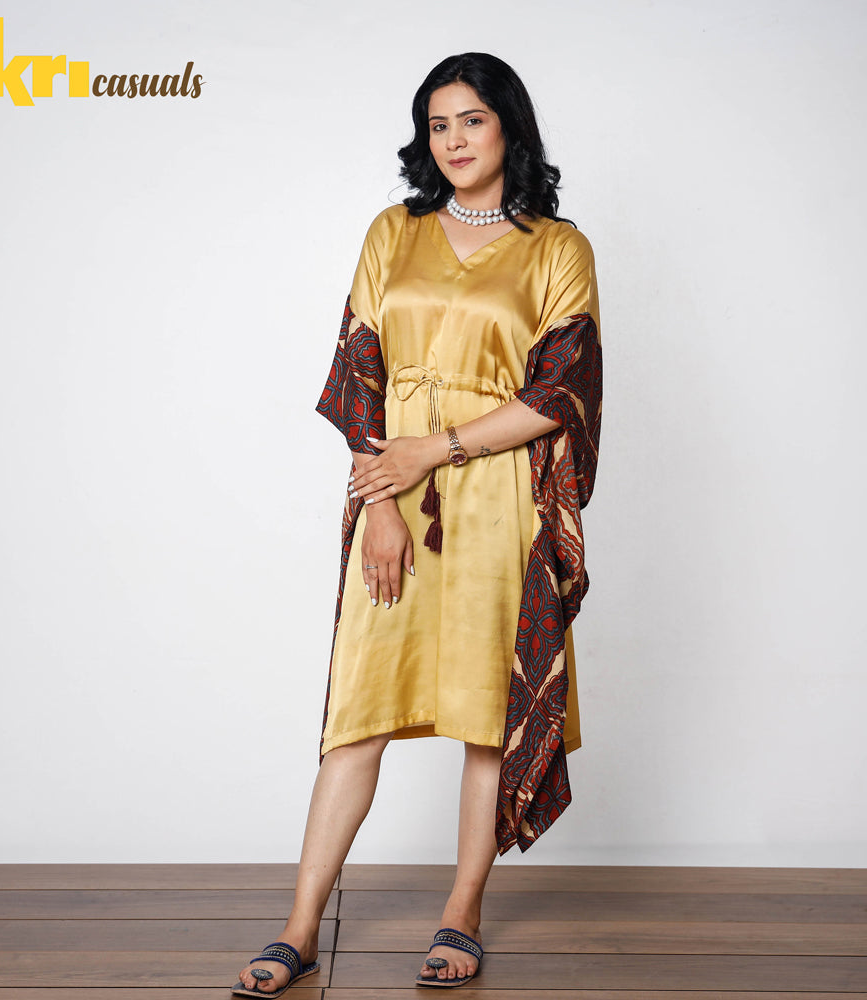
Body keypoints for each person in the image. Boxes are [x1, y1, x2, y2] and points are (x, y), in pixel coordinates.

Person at [233, 51, 601, 996]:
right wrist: (383, 502)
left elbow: (558, 392)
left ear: (509, 127)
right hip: (390, 493)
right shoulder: (392, 231)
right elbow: (358, 373)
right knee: (357, 713)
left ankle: (462, 910)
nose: (454, 141)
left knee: (485, 714)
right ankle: (300, 926)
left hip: (497, 497)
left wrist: (433, 450)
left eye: (472, 120)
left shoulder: (558, 248)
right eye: (438, 125)